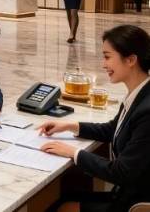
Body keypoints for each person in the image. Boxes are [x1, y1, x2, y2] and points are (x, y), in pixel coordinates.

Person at [39, 25, 150, 212]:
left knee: (65, 207)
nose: (103, 65)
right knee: (66, 195)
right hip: (128, 192)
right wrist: (70, 126)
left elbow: (121, 172)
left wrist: (74, 153)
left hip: (136, 202)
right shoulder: (140, 93)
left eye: (107, 57)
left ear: (131, 60)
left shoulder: (147, 110)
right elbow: (113, 129)